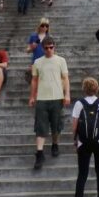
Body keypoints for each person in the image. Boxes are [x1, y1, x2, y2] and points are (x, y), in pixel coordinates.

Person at [28, 36, 70, 170]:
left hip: (57, 97)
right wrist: (32, 96)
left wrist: (67, 94)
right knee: (40, 125)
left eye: (51, 47)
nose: (49, 50)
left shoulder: (61, 60)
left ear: (54, 47)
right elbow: (34, 80)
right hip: (42, 98)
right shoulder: (37, 62)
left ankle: (55, 144)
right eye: (46, 48)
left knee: (56, 124)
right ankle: (39, 153)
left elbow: (65, 78)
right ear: (42, 48)